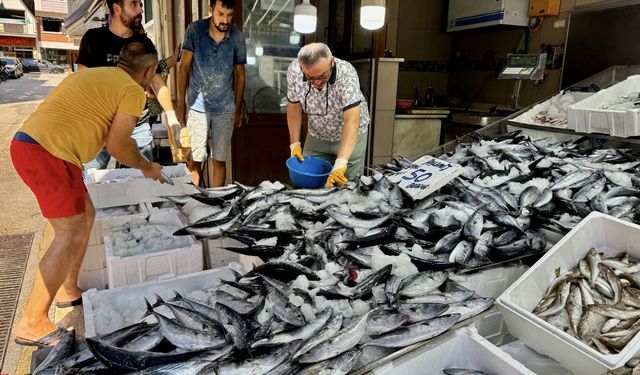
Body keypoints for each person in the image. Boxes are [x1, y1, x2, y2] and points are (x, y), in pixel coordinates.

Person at [11, 39, 165, 347]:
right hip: (47, 152)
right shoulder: (132, 91)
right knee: (68, 233)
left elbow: (118, 138)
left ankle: (69, 287)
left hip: (37, 145)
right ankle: (32, 321)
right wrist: (148, 168)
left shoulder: (96, 75)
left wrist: (142, 159)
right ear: (149, 71)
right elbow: (117, 146)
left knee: (86, 215)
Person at [77, 0, 183, 170]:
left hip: (137, 125)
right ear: (117, 8)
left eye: (141, 4)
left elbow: (155, 79)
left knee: (142, 182)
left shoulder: (144, 43)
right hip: (99, 126)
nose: (141, 9)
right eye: (134, 4)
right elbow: (82, 82)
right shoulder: (93, 39)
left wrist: (171, 116)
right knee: (91, 182)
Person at [176, 0, 246, 187]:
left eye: (229, 15)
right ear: (210, 10)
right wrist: (181, 104)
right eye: (220, 14)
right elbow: (183, 68)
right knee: (195, 159)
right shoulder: (195, 30)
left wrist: (238, 109)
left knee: (219, 159)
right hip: (197, 106)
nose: (225, 20)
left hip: (225, 107)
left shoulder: (237, 36)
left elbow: (240, 75)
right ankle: (194, 202)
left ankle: (216, 205)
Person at [286, 43, 370, 188]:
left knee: (348, 185)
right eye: (311, 78)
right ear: (301, 68)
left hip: (349, 135)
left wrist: (341, 163)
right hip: (317, 135)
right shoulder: (294, 71)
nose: (318, 82)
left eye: (324, 76)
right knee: (308, 183)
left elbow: (352, 120)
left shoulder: (346, 73)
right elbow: (294, 106)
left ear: (332, 62)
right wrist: (295, 144)